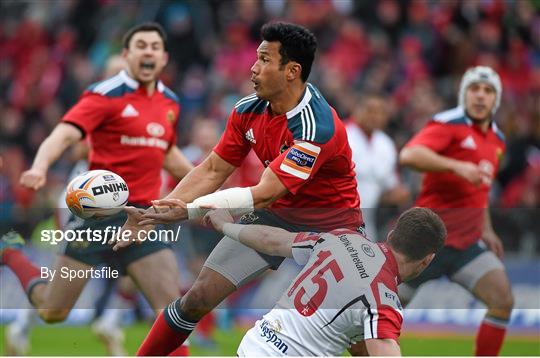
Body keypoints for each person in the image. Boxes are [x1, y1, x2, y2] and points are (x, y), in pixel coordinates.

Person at [112, 22, 363, 356]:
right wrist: (154, 214)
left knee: (357, 334)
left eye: (263, 60)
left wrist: (188, 210)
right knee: (197, 297)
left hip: (334, 226)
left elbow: (265, 193)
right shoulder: (247, 110)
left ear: (292, 71)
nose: (252, 68)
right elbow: (213, 169)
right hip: (275, 217)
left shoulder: (317, 127)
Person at [1, 22, 192, 355]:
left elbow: (167, 154)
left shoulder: (170, 103)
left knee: (172, 313)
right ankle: (11, 254)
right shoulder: (105, 95)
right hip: (98, 215)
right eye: (141, 45)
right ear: (127, 54)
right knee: (52, 311)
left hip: (144, 217)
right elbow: (64, 135)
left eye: (155, 47)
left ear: (164, 57)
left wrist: (213, 189)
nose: (148, 51)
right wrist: (40, 165)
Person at [201, 206, 446, 356]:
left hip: (254, 346)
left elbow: (273, 240)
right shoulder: (384, 299)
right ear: (427, 260)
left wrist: (225, 225)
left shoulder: (341, 238)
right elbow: (384, 350)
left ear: (392, 235)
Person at [399, 66, 514, 356]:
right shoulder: (448, 123)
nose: (480, 96)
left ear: (495, 99)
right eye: (474, 89)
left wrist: (486, 228)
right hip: (426, 241)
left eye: (488, 91)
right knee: (383, 308)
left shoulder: (497, 140)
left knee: (502, 300)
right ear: (465, 94)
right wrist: (455, 165)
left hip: (466, 244)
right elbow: (409, 155)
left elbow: (481, 189)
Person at [346, 94, 410, 241]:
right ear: (357, 110)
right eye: (370, 110)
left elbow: (391, 186)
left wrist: (398, 194)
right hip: (335, 213)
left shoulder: (385, 143)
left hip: (367, 218)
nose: (375, 116)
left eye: (381, 112)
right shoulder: (342, 134)